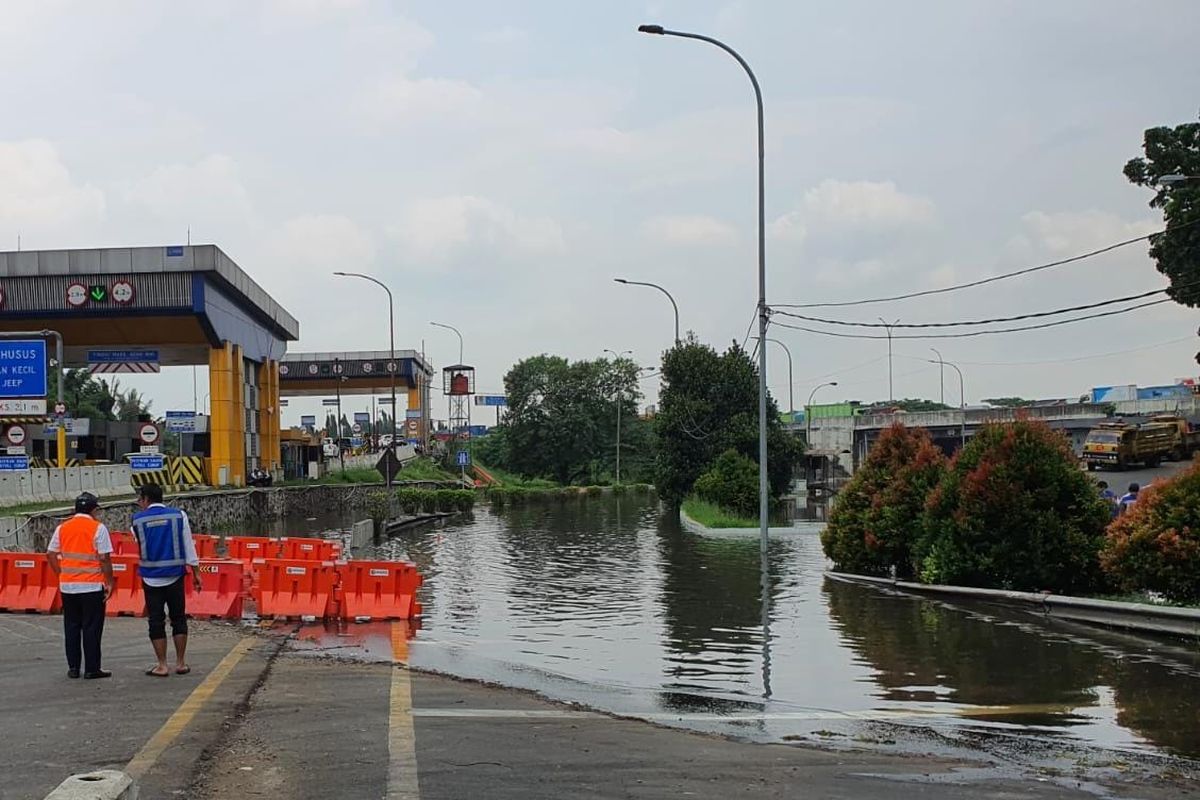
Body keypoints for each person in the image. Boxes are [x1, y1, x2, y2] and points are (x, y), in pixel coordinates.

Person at [132, 483, 202, 677]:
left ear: (145, 499)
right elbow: (189, 546)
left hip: (151, 578)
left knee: (156, 620)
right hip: (175, 575)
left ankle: (162, 665)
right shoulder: (179, 516)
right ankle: (180, 663)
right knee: (178, 618)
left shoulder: (136, 521)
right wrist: (196, 572)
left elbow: (140, 543)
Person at [46, 492, 115, 680]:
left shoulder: (63, 528)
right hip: (91, 587)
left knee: (72, 626)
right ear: (94, 510)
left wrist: (60, 574)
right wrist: (109, 581)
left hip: (68, 587)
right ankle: (92, 668)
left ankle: (74, 668)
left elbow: (51, 554)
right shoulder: (98, 528)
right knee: (91, 627)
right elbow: (104, 558)